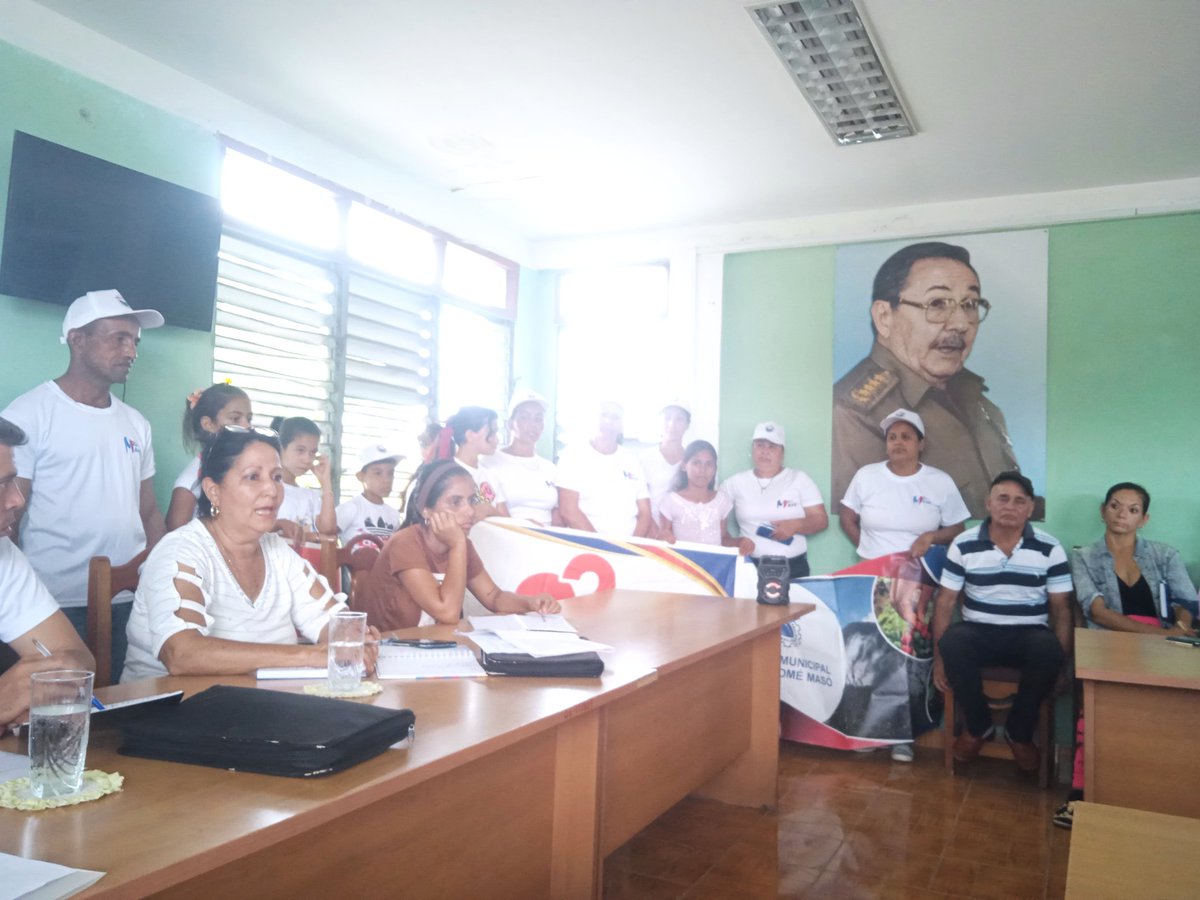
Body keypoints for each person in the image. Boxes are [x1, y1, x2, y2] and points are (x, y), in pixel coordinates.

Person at [1, 289, 166, 683]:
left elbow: (148, 510)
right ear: (77, 340)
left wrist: (159, 580)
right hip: (50, 604)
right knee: (57, 710)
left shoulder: (136, 423)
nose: (131, 352)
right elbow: (11, 511)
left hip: (129, 598)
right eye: (118, 339)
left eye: (135, 342)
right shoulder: (28, 414)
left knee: (123, 711)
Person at [122, 427, 373, 681]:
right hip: (171, 710)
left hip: (262, 706)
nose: (272, 491)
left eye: (276, 477)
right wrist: (308, 656)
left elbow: (334, 622)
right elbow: (182, 653)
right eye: (253, 477)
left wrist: (352, 637)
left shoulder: (278, 552)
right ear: (213, 491)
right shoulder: (180, 551)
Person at [832, 242, 1019, 518]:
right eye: (937, 304)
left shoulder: (982, 407)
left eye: (969, 305)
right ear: (884, 317)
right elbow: (860, 518)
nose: (960, 323)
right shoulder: (853, 414)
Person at [1053, 482, 1198, 829]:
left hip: (1168, 647)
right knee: (1097, 714)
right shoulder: (1085, 556)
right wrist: (1162, 636)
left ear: (1144, 519)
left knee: (1176, 717)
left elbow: (1187, 603)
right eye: (1116, 506)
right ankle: (1080, 794)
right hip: (1107, 641)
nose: (1122, 514)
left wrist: (1179, 628)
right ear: (1103, 511)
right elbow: (1097, 611)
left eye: (1133, 509)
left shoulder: (1165, 555)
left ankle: (1156, 796)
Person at [932, 471, 1072, 774]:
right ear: (989, 503)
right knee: (954, 640)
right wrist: (939, 661)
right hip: (978, 632)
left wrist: (1062, 666)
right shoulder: (964, 544)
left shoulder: (1050, 548)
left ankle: (1019, 733)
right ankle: (978, 726)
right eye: (1003, 498)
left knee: (1047, 647)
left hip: (1029, 635)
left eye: (1019, 501)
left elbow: (1061, 609)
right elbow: (944, 603)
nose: (1010, 506)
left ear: (1030, 509)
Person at [352, 460, 560, 632]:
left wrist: (530, 603)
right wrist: (458, 544)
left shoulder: (461, 545)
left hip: (433, 649)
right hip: (390, 655)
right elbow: (447, 613)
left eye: (471, 500)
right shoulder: (406, 543)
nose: (470, 511)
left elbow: (495, 597)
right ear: (426, 509)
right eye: (455, 502)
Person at [0, 417, 95, 730]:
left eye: (13, 480)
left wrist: (54, 679)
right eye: (1, 484)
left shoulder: (4, 556)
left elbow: (77, 659)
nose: (17, 499)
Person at [839, 408, 970, 561]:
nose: (898, 442)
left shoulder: (940, 481)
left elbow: (957, 529)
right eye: (892, 438)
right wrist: (866, 548)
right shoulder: (866, 475)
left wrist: (931, 537)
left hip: (920, 570)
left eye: (906, 437)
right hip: (873, 569)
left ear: (921, 444)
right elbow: (847, 517)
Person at [721, 421, 827, 579]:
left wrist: (796, 525)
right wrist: (735, 542)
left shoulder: (799, 479)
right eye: (760, 445)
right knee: (747, 604)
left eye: (772, 446)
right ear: (752, 449)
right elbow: (711, 517)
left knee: (795, 604)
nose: (765, 451)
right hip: (749, 566)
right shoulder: (734, 483)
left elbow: (821, 520)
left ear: (782, 453)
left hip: (792, 567)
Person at [556, 401, 651, 537]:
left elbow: (645, 512)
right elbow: (568, 510)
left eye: (616, 417)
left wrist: (632, 546)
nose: (609, 421)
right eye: (604, 415)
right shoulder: (573, 455)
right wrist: (601, 546)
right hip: (587, 548)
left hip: (629, 550)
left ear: (622, 426)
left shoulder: (631, 460)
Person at [165, 383, 253, 531]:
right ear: (208, 424)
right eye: (236, 419)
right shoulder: (190, 482)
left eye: (249, 419)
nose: (247, 426)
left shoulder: (240, 469)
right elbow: (173, 538)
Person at [480, 390, 558, 526]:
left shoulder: (550, 468)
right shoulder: (489, 462)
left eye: (538, 418)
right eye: (524, 417)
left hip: (548, 539)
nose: (533, 424)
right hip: (508, 537)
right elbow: (483, 506)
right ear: (510, 424)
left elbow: (557, 512)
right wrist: (524, 527)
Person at [657, 440, 736, 547]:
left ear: (714, 470)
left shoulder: (722, 500)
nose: (702, 470)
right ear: (684, 466)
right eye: (696, 463)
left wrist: (740, 542)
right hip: (684, 562)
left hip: (714, 563)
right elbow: (664, 536)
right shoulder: (671, 501)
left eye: (709, 464)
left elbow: (724, 538)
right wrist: (664, 536)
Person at [271, 416, 337, 543]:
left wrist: (326, 483)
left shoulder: (310, 496)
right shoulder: (269, 490)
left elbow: (328, 530)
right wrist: (312, 537)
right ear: (281, 448)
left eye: (312, 452)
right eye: (300, 450)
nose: (307, 459)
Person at [435, 406, 508, 519]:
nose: (497, 439)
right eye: (492, 432)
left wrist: (489, 510)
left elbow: (506, 521)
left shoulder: (490, 476)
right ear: (470, 435)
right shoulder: (446, 474)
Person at [638, 401, 690, 535]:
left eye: (679, 419)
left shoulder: (692, 461)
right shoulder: (644, 458)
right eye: (667, 418)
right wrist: (655, 531)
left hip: (683, 533)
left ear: (687, 425)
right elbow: (638, 499)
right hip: (649, 530)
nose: (672, 424)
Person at [335, 444, 403, 544]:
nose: (387, 480)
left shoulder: (394, 515)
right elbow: (326, 537)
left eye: (390, 473)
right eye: (377, 473)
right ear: (360, 476)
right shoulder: (351, 508)